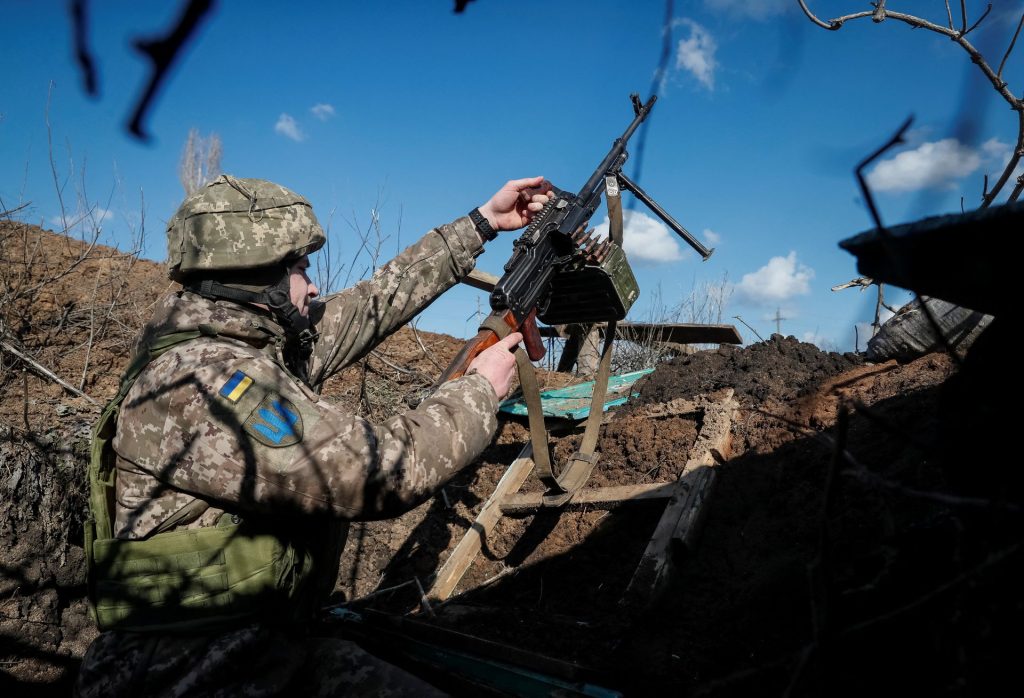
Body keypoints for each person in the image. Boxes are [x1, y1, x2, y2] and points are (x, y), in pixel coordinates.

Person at [75, 173, 554, 697]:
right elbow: (373, 474)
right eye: (301, 268)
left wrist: (482, 223)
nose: (315, 284)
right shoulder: (207, 381)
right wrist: (480, 391)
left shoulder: (243, 340)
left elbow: (375, 303)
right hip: (194, 672)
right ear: (257, 279)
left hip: (253, 642)